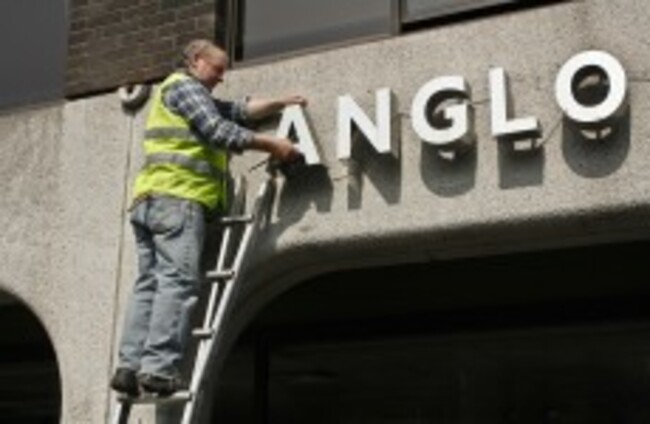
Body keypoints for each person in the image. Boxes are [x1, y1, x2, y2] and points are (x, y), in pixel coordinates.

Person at [110, 39, 305, 397]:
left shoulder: (181, 93)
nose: (221, 77)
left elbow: (237, 110)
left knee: (149, 283)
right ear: (197, 61)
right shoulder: (185, 87)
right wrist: (274, 145)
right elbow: (217, 129)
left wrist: (279, 102)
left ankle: (129, 368)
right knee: (178, 281)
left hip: (150, 200)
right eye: (217, 69)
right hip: (178, 199)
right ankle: (158, 370)